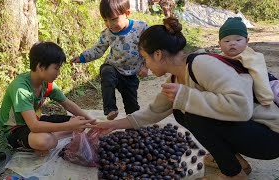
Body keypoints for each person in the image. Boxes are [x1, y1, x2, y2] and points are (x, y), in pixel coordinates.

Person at [96, 17, 279, 179]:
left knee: (193, 114)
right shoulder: (177, 77)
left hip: (270, 138)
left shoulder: (201, 64)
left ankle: (233, 174)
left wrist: (187, 96)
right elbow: (152, 112)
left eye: (145, 58)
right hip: (250, 132)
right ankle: (238, 163)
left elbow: (242, 108)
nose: (145, 65)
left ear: (158, 55)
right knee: (180, 111)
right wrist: (109, 125)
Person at [0, 41, 96, 155]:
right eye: (56, 68)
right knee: (46, 140)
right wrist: (69, 126)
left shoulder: (46, 83)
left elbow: (67, 103)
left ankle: (47, 137)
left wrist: (92, 122)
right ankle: (44, 139)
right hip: (15, 129)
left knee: (81, 122)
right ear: (40, 67)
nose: (58, 73)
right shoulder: (21, 89)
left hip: (37, 120)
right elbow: (34, 126)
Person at [70, 0, 149, 120]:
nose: (109, 24)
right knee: (106, 72)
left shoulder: (141, 28)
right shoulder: (107, 33)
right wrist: (82, 57)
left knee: (132, 106)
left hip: (131, 74)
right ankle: (110, 108)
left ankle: (133, 129)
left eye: (113, 19)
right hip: (113, 68)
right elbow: (98, 49)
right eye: (105, 20)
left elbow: (150, 49)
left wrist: (145, 66)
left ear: (127, 13)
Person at [218, 17, 274, 106]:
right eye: (227, 41)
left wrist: (265, 99)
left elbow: (260, 77)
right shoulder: (219, 57)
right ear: (219, 44)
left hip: (264, 85)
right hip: (239, 90)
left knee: (275, 89)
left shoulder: (252, 57)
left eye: (238, 40)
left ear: (247, 41)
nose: (232, 43)